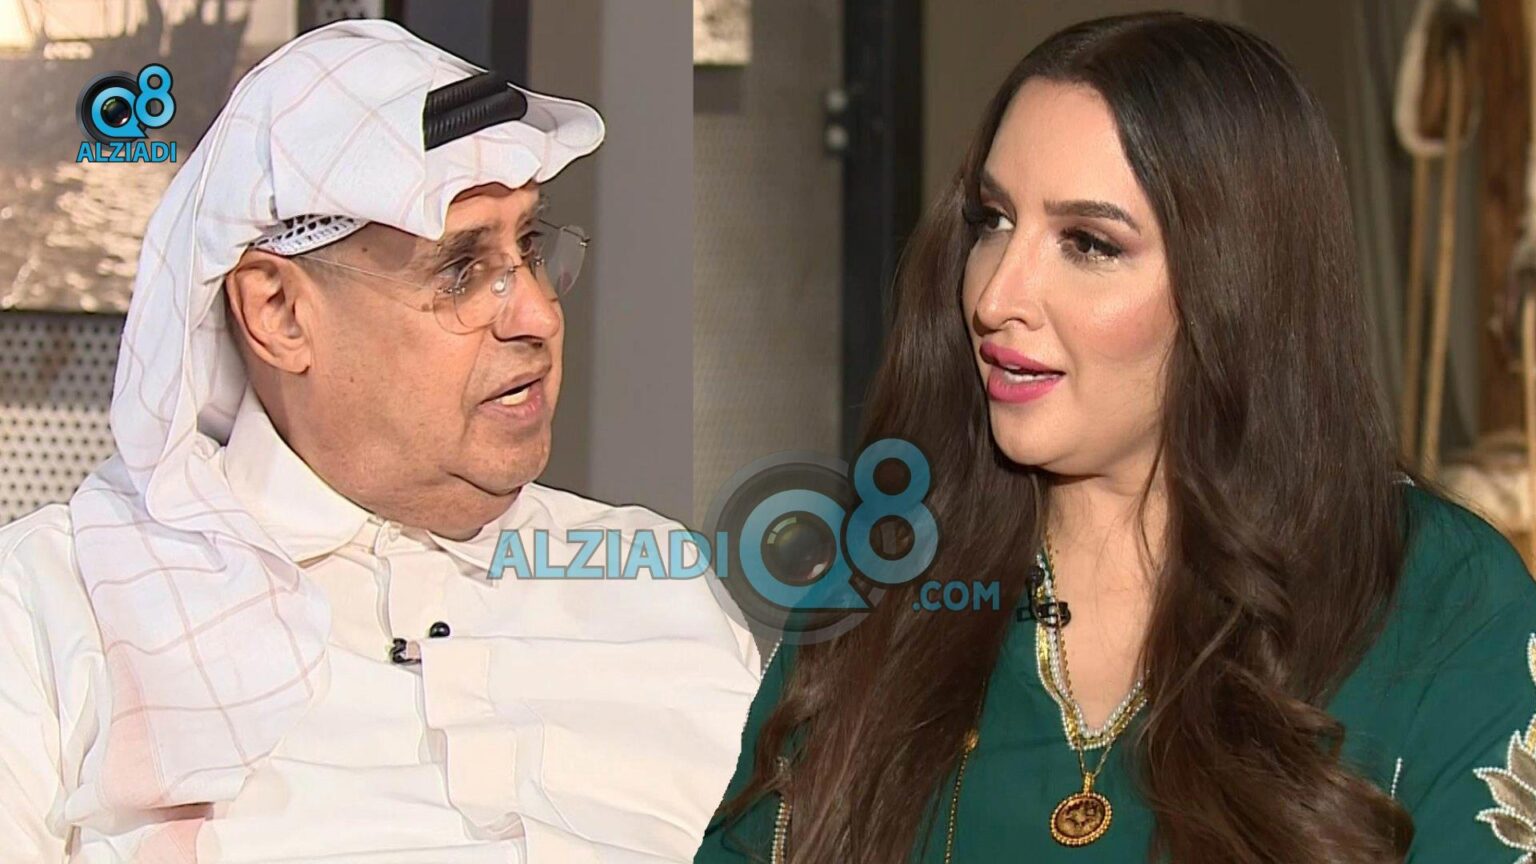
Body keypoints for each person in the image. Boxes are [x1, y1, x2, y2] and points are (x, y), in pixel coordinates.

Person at [695, 12, 1536, 864]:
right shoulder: (884, 573)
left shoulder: (1442, 597)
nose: (995, 296)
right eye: (993, 220)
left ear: (1238, 284)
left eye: (1089, 243)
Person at [0, 19, 759, 863]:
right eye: (462, 271)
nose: (539, 315)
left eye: (530, 248)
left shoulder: (658, 582)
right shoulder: (51, 607)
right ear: (279, 313)